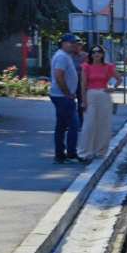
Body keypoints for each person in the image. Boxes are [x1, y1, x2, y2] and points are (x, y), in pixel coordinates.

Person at [78, 45, 120, 160]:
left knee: (103, 124)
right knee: (89, 124)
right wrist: (83, 100)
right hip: (90, 95)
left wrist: (113, 88)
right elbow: (83, 84)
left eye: (99, 52)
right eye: (94, 52)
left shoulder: (108, 67)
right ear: (91, 54)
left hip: (104, 96)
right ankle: (85, 152)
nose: (96, 54)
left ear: (102, 54)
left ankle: (100, 151)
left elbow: (119, 78)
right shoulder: (86, 66)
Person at [48, 35, 84, 164]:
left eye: (75, 43)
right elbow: (59, 76)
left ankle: (60, 154)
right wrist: (68, 93)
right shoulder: (62, 57)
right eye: (71, 43)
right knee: (74, 125)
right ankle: (71, 154)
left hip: (61, 95)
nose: (74, 45)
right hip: (63, 96)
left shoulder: (64, 55)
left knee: (62, 125)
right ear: (63, 43)